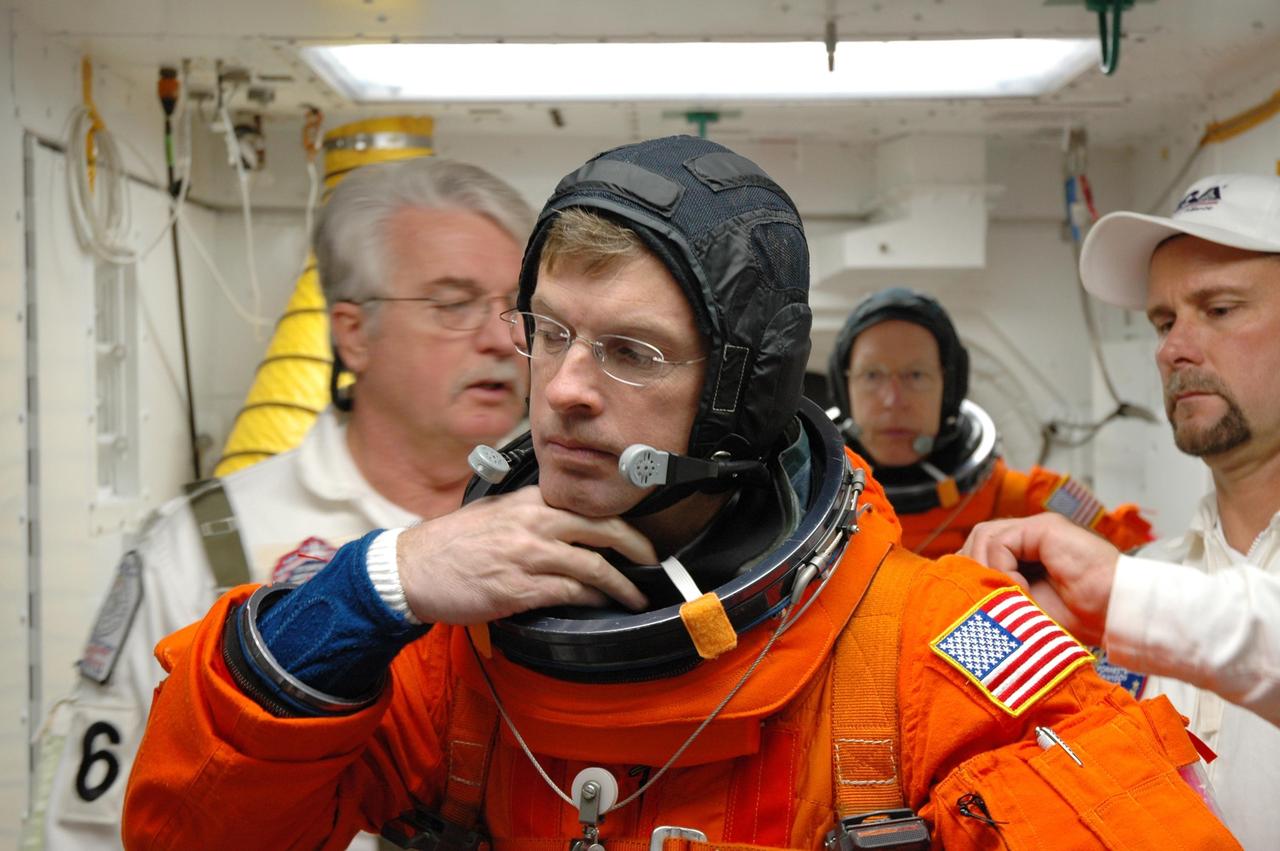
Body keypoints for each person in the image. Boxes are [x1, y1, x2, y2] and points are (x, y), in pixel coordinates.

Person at [123, 136, 1236, 850]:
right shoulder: (452, 638)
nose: (558, 391)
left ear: (741, 394)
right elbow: (188, 829)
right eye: (549, 332)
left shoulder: (919, 648)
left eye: (631, 353)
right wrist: (374, 585)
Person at [36, 157, 533, 850]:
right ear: (352, 332)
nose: (499, 340)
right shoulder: (208, 541)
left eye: (514, 308)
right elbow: (94, 826)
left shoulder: (579, 523)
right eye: (452, 305)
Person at [960, 173, 1280, 849]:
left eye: (1219, 309)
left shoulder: (1133, 595)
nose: (1172, 347)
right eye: (1164, 320)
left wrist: (1119, 596)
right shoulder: (1143, 581)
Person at [826, 287, 1152, 560]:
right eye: (872, 375)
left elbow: (1138, 564)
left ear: (949, 387)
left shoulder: (1029, 502)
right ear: (845, 388)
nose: (892, 400)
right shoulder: (808, 512)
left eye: (916, 375)